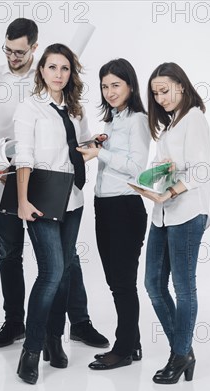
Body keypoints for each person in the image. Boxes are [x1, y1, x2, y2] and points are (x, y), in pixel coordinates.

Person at [0, 18, 108, 349]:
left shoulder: (52, 73)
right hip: (9, 172)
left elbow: (75, 133)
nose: (13, 56)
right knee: (9, 251)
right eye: (8, 49)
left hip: (53, 178)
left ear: (34, 48)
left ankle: (79, 322)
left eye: (20, 51)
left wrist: (94, 143)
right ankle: (13, 323)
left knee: (64, 258)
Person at [12, 43, 92, 385]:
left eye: (64, 69)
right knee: (52, 271)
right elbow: (24, 158)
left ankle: (53, 339)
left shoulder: (75, 110)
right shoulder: (29, 109)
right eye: (52, 67)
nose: (58, 74)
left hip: (72, 199)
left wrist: (94, 147)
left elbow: (79, 151)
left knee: (64, 274)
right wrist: (22, 202)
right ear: (41, 70)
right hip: (41, 199)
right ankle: (30, 351)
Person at [131, 62, 210, 384]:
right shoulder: (169, 125)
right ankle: (184, 350)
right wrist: (156, 174)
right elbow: (174, 166)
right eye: (155, 94)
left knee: (183, 287)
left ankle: (179, 355)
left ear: (181, 85)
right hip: (163, 215)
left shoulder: (194, 119)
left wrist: (172, 189)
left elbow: (202, 170)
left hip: (187, 213)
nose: (160, 98)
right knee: (153, 284)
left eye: (165, 91)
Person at [77, 58, 149, 370]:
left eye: (115, 85)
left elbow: (137, 169)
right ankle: (132, 342)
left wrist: (101, 153)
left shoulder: (138, 120)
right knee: (114, 279)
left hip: (125, 207)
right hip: (104, 205)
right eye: (105, 86)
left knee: (122, 282)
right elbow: (114, 159)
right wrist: (98, 144)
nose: (110, 91)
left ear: (130, 86)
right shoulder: (113, 121)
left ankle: (122, 348)